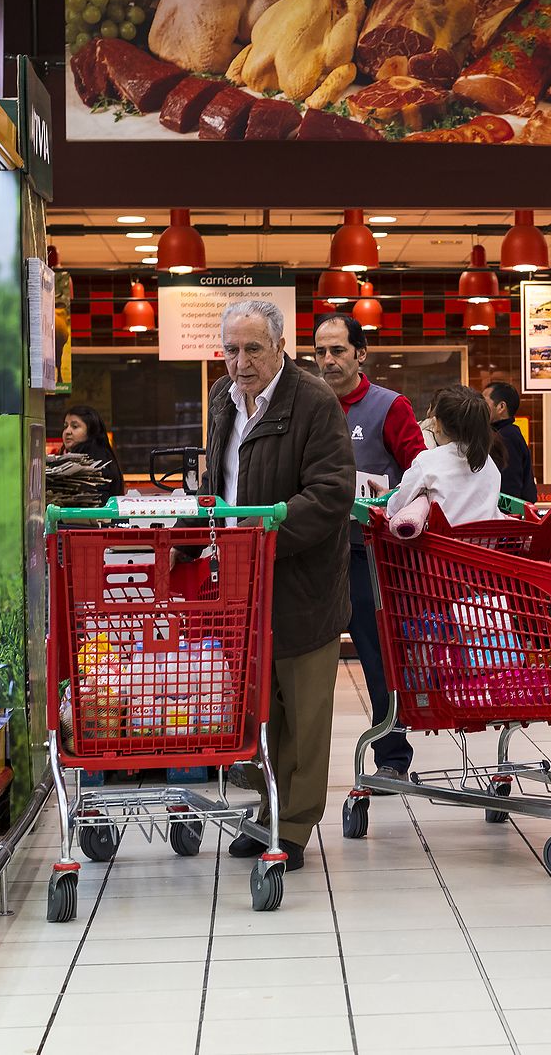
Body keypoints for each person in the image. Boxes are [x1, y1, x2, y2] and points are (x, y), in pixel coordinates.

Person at [202, 300, 356, 872]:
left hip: (303, 582)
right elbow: (220, 475)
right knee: (261, 707)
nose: (240, 363)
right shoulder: (223, 400)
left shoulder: (313, 401)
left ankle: (293, 824)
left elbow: (332, 493)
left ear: (279, 346)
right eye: (231, 350)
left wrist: (266, 530)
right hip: (242, 581)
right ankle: (266, 809)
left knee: (306, 710)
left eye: (252, 350)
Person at [314, 313, 427, 784]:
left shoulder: (389, 406)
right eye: (320, 352)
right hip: (313, 553)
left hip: (368, 557)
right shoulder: (309, 406)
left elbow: (422, 475)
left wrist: (389, 506)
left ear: (361, 354)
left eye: (338, 350)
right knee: (302, 664)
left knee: (377, 657)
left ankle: (392, 757)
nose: (328, 361)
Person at [391, 385, 505, 525]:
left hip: (441, 545)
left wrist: (385, 500)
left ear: (437, 424)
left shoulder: (427, 460)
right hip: (484, 544)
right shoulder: (488, 463)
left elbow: (397, 506)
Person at [482, 381, 536, 501]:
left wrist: (508, 517)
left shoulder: (507, 436)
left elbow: (510, 487)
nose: (480, 407)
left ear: (501, 407)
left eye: (484, 402)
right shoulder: (500, 432)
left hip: (509, 516)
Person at [60, 405, 126, 501]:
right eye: (65, 426)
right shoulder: (102, 454)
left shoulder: (97, 460)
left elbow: (98, 502)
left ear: (91, 430)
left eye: (75, 426)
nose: (67, 431)